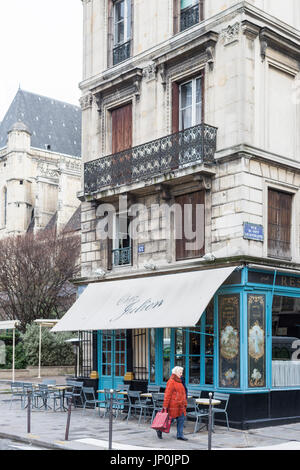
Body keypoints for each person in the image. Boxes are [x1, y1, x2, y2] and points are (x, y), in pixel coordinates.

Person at [156, 366, 188, 441]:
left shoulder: (180, 381)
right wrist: (165, 406)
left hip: (180, 405)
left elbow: (183, 393)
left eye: (181, 372)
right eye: (180, 372)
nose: (181, 374)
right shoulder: (171, 381)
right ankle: (159, 429)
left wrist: (184, 402)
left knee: (181, 419)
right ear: (176, 373)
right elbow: (167, 394)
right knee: (170, 420)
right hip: (173, 405)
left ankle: (180, 435)